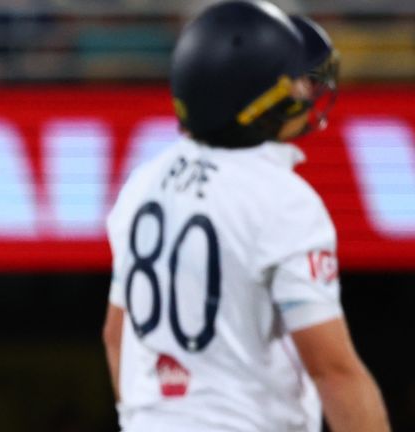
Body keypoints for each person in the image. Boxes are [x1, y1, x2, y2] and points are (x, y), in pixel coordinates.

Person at [102, 1, 390, 431]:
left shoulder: (142, 182)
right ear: (254, 105)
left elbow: (116, 337)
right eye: (292, 80)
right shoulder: (283, 199)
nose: (305, 90)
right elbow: (334, 372)